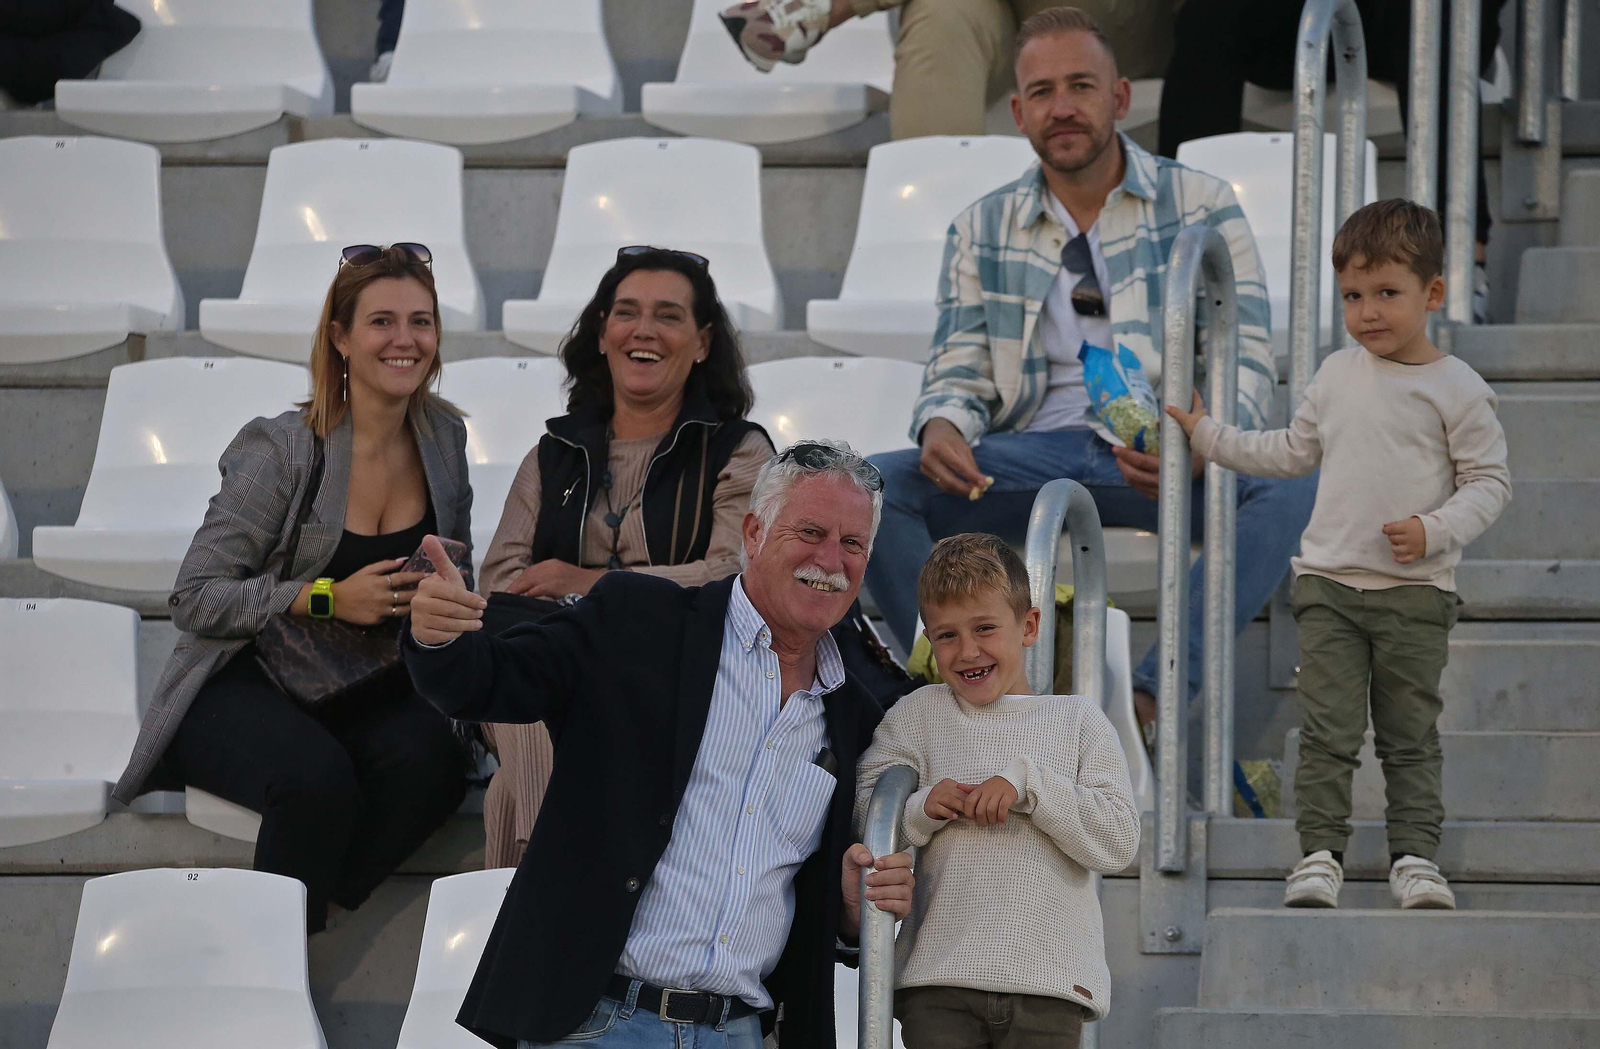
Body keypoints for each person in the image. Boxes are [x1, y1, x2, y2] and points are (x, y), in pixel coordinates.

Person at [861, 7, 1316, 748]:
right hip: (1026, 457)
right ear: (1017, 111)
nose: (1062, 107)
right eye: (1042, 92)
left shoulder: (1200, 204)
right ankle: (961, 700)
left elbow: (1250, 352)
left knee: (1292, 485)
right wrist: (943, 421)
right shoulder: (982, 225)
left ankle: (1150, 697)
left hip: (1164, 454)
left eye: (1081, 86)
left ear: (1121, 98)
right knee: (873, 491)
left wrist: (1206, 439)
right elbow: (959, 361)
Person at [405, 440, 916, 1048]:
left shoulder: (855, 714)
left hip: (740, 1033)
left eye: (852, 543)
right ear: (753, 532)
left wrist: (850, 917)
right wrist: (438, 638)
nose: (831, 559)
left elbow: (805, 897)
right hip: (597, 1023)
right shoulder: (640, 622)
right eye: (810, 531)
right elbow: (491, 682)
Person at [111, 244, 474, 934]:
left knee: (436, 764)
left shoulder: (443, 439)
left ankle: (296, 926)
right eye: (382, 322)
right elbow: (195, 595)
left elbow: (457, 564)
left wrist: (443, 602)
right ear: (339, 336)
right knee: (315, 781)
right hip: (248, 681)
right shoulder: (281, 448)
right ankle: (271, 959)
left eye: (422, 322)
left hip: (368, 680)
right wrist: (326, 596)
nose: (406, 341)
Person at [1167, 200, 1511, 909]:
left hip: (1416, 595)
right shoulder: (1333, 375)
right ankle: (1318, 853)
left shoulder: (1459, 389)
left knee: (1409, 734)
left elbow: (1490, 483)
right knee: (1327, 731)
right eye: (1354, 296)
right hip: (1327, 587)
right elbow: (1289, 451)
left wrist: (1434, 528)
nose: (1368, 312)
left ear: (1433, 294)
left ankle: (1414, 857)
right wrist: (1208, 435)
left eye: (1388, 293)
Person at [475, 246, 773, 869]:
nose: (644, 331)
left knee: (518, 771)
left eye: (668, 316)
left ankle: (528, 908)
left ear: (701, 342)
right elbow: (503, 580)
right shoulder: (552, 453)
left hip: (668, 669)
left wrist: (590, 584)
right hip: (548, 660)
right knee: (524, 685)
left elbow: (735, 572)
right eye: (627, 313)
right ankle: (545, 893)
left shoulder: (737, 452)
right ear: (604, 334)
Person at [855, 533, 1139, 1048]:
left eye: (985, 628)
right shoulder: (918, 714)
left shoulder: (1077, 722)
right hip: (937, 982)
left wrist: (1029, 785)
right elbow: (866, 815)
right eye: (946, 636)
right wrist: (921, 808)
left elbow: (1118, 841)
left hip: (1051, 985)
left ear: (1028, 625)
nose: (967, 651)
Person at [1155, 0, 1508, 322]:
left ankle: (1462, 260)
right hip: (1301, 18)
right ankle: (1176, 261)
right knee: (1210, 12)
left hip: (1420, 19)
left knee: (1423, 12)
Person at [718, 0, 1176, 140]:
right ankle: (940, 237)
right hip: (1018, 21)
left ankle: (821, 8)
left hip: (1133, 24)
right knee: (943, 13)